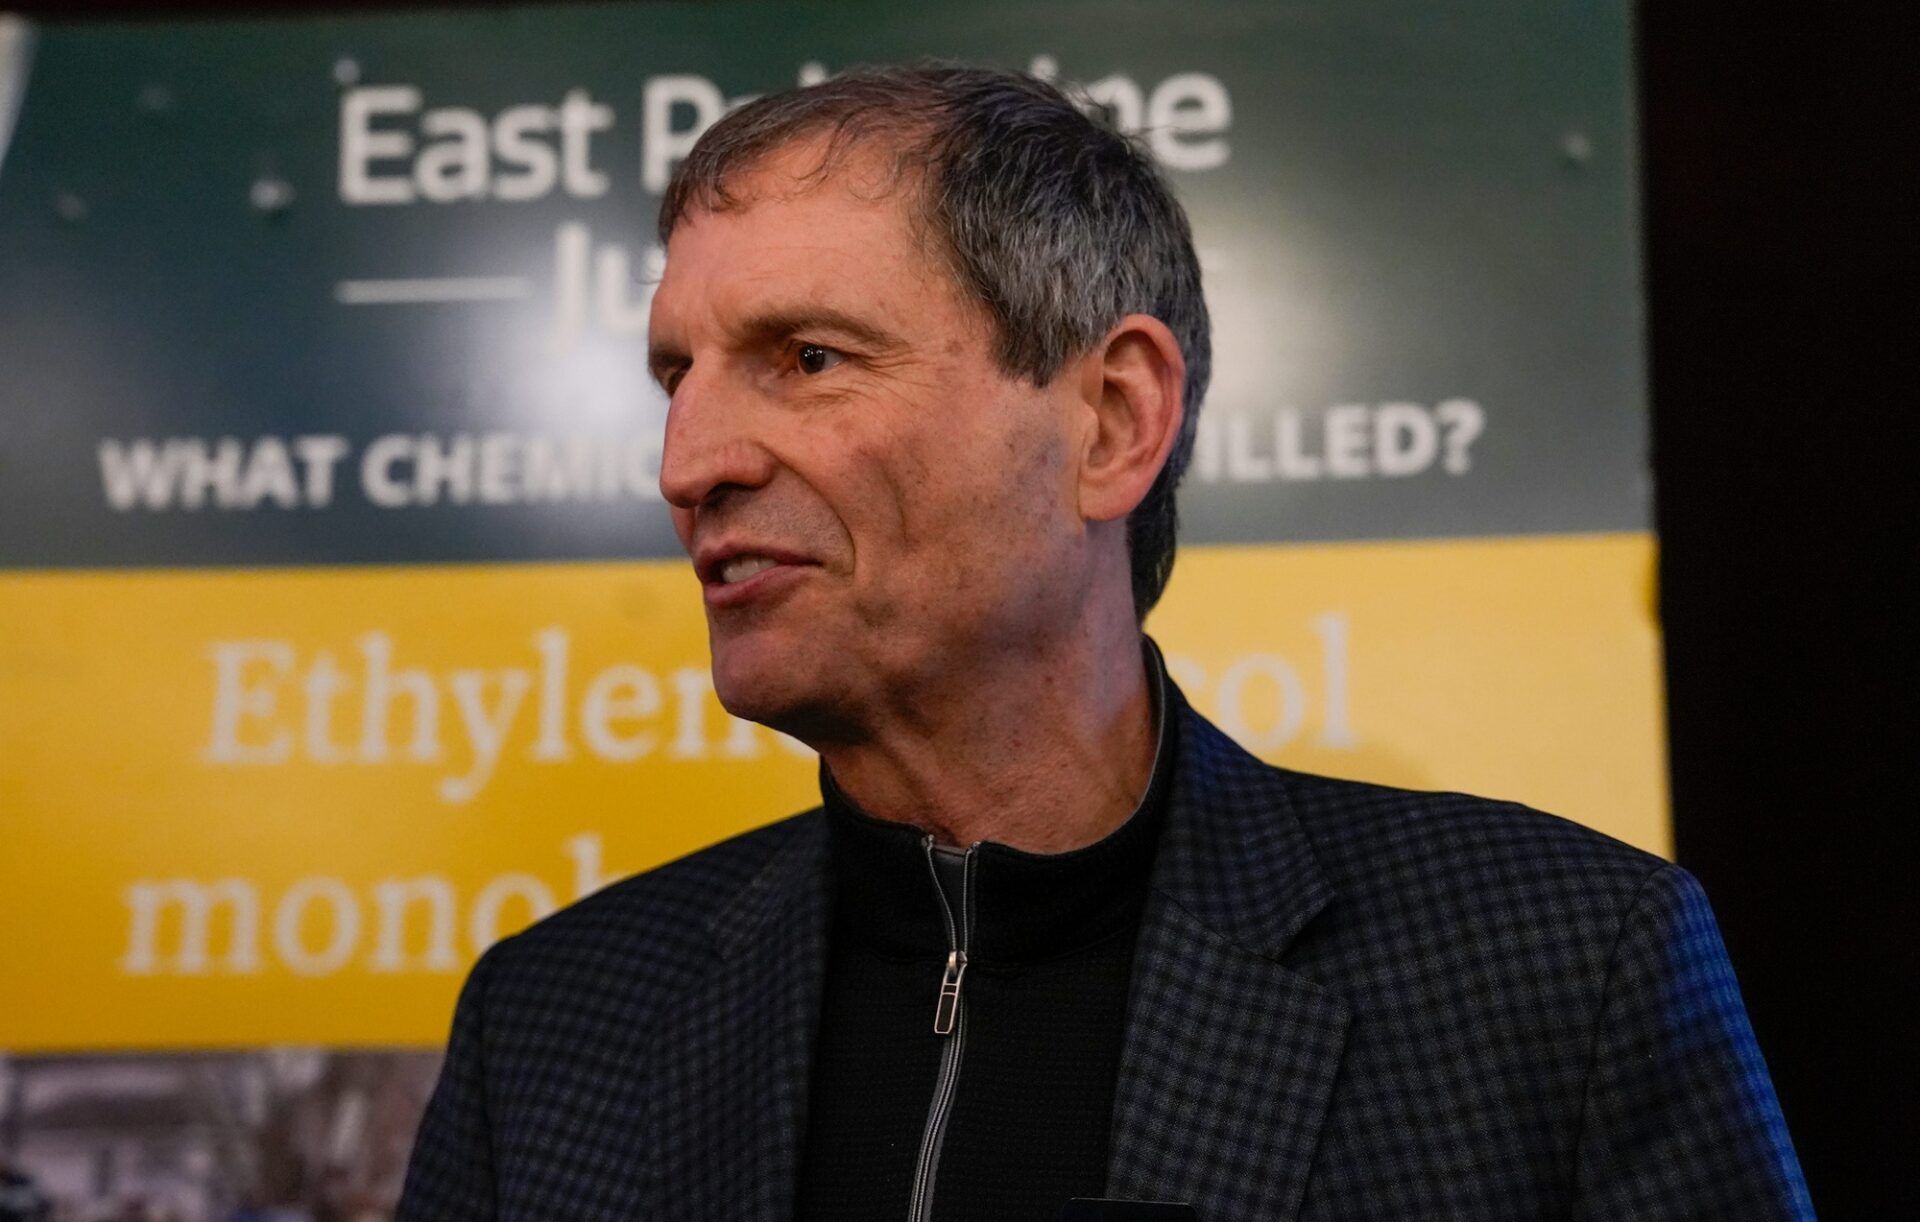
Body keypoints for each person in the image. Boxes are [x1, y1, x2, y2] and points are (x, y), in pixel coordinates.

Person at [398, 64, 1810, 1220]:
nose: (688, 461)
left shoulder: (1558, 972)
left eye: (808, 358)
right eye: (676, 375)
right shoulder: (554, 1027)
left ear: (1114, 421)